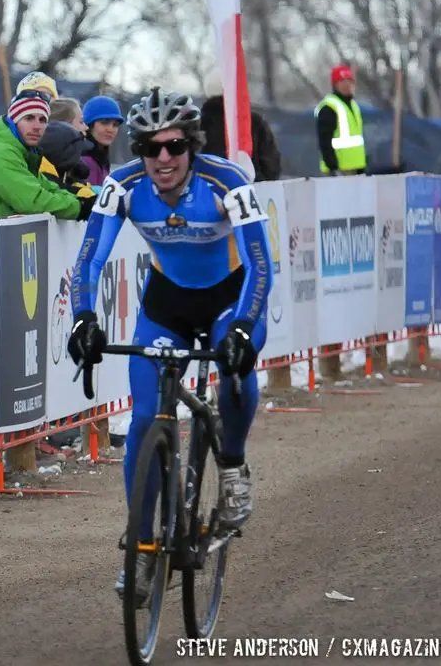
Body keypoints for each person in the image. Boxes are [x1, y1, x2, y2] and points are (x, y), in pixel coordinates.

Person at [67, 87, 272, 605]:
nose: (163, 158)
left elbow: (262, 264)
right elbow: (90, 259)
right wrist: (84, 319)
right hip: (167, 307)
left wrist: (245, 327)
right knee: (143, 419)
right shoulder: (123, 185)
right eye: (150, 147)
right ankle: (139, 548)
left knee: (235, 372)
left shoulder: (227, 181)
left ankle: (231, 463)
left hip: (231, 299)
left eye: (175, 146)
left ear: (192, 146)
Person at [0, 90, 93, 221]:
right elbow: (32, 201)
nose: (37, 126)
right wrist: (79, 207)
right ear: (13, 122)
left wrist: (80, 201)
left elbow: (50, 188)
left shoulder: (26, 154)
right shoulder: (1, 153)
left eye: (42, 120)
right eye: (29, 118)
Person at [200, 94, 282, 181]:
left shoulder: (204, 123)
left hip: (213, 184)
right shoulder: (254, 121)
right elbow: (271, 165)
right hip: (256, 186)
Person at [314, 64, 366, 176]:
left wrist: (361, 167)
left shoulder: (354, 106)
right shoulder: (329, 107)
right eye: (342, 81)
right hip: (339, 171)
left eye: (350, 81)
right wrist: (332, 167)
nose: (347, 84)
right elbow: (324, 140)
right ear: (335, 85)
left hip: (355, 169)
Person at [80, 95, 124, 186]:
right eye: (104, 123)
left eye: (115, 125)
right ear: (89, 125)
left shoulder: (101, 159)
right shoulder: (83, 160)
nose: (110, 129)